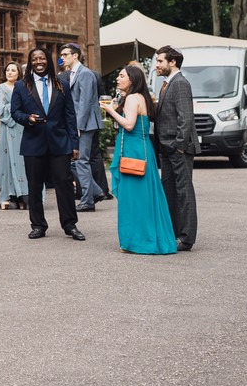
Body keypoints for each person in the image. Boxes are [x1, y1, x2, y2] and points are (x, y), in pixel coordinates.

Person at [101, 64, 176, 255]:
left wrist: (110, 110)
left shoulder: (132, 98)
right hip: (143, 149)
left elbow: (128, 124)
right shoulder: (141, 97)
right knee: (145, 196)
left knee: (133, 197)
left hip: (133, 150)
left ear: (132, 80)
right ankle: (145, 237)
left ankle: (137, 240)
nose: (117, 79)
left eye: (121, 76)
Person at [10, 46, 84, 241]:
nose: (38, 62)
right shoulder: (21, 86)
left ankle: (70, 225)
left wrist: (74, 144)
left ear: (48, 60)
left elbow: (70, 115)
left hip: (60, 143)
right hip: (33, 144)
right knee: (35, 186)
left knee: (65, 183)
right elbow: (15, 112)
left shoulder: (62, 83)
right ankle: (38, 225)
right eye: (34, 59)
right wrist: (28, 119)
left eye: (41, 58)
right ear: (30, 62)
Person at [152, 45, 200, 251]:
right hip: (166, 148)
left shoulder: (180, 83)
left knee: (184, 192)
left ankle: (187, 238)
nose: (157, 65)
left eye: (160, 61)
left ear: (173, 62)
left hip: (178, 148)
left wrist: (179, 146)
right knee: (169, 192)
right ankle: (173, 232)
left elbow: (186, 117)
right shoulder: (166, 84)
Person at [60, 43, 106, 212]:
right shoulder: (72, 73)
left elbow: (85, 102)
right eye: (62, 55)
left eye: (65, 54)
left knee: (81, 161)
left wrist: (77, 127)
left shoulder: (85, 73)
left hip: (85, 124)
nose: (62, 57)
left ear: (75, 56)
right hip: (80, 123)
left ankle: (88, 201)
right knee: (75, 161)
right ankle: (96, 191)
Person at [0, 61, 29, 210]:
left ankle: (24, 195)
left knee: (23, 161)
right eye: (7, 70)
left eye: (13, 70)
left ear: (19, 73)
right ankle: (9, 195)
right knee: (7, 161)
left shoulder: (24, 87)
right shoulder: (1, 88)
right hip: (9, 128)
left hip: (23, 127)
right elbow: (0, 110)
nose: (9, 72)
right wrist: (17, 108)